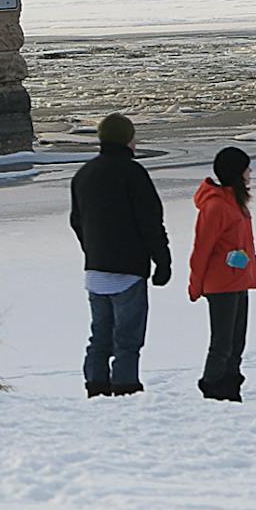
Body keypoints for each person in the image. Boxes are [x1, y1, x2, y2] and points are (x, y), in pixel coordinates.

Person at [70, 113, 171, 398]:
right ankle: (125, 388)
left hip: (96, 271)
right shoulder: (133, 173)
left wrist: (92, 249)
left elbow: (76, 221)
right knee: (127, 339)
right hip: (128, 270)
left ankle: (96, 386)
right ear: (127, 139)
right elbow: (150, 221)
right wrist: (162, 261)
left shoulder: (84, 174)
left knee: (99, 336)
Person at [189, 146, 256, 402]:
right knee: (222, 343)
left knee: (236, 343)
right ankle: (213, 387)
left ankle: (230, 387)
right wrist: (195, 286)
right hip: (221, 284)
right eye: (246, 168)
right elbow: (202, 249)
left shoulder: (236, 203)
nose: (250, 173)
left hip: (238, 281)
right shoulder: (216, 206)